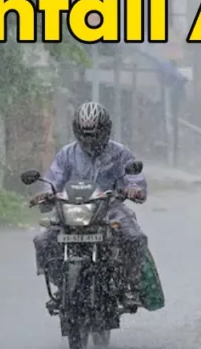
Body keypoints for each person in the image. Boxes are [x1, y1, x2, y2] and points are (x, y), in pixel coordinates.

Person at [31, 102, 149, 310]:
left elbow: (134, 178)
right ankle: (62, 283)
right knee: (43, 239)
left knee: (134, 237)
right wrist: (46, 194)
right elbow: (53, 179)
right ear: (76, 131)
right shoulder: (67, 154)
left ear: (105, 130)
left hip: (110, 207)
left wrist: (133, 189)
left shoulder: (120, 153)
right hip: (71, 209)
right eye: (84, 134)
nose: (89, 139)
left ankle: (130, 284)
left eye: (94, 134)